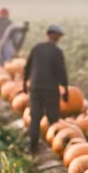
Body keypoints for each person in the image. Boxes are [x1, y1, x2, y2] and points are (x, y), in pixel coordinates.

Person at [23, 24, 69, 153]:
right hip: (49, 88)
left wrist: (24, 83)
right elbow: (61, 72)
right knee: (53, 117)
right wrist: (65, 89)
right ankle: (56, 146)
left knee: (35, 116)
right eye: (58, 36)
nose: (58, 38)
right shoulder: (56, 52)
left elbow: (28, 67)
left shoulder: (37, 48)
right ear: (53, 35)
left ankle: (33, 146)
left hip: (35, 87)